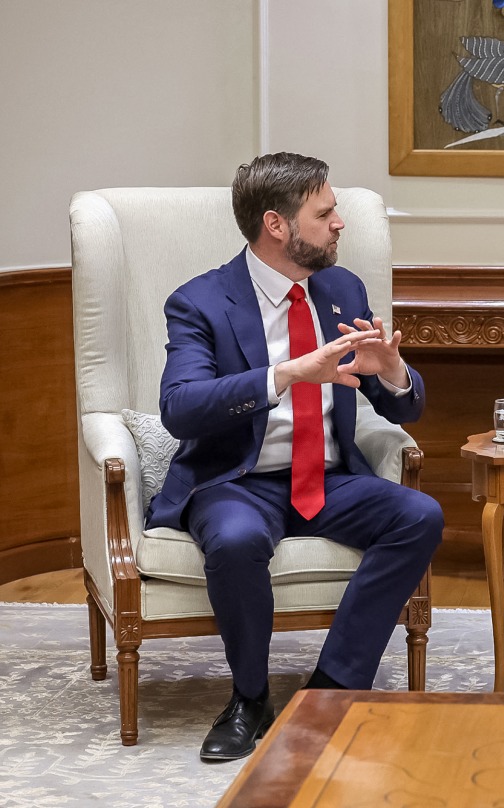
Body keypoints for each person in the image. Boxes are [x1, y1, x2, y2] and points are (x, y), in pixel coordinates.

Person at [145, 152, 443, 761]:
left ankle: (331, 689)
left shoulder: (342, 288)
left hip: (328, 478)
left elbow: (404, 409)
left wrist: (392, 372)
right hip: (237, 480)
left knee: (420, 515)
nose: (339, 223)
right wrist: (284, 374)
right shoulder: (200, 302)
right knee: (234, 540)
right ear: (276, 225)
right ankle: (249, 699)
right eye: (325, 213)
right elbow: (180, 407)